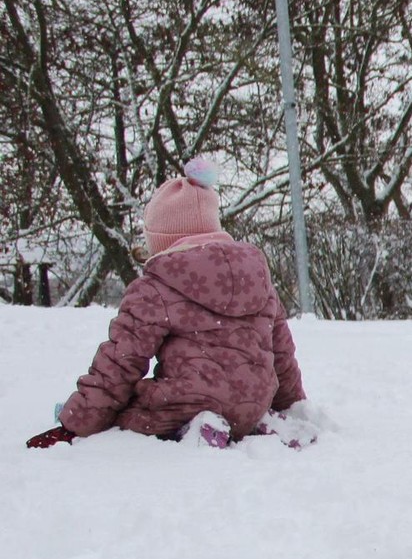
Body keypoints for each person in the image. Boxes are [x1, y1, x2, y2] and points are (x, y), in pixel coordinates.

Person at [26, 159, 307, 449]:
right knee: (236, 402)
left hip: (185, 403)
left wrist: (77, 422)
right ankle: (256, 423)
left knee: (129, 415)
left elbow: (120, 363)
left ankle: (200, 428)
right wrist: (293, 405)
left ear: (161, 240)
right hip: (253, 402)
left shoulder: (155, 287)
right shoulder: (258, 280)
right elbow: (282, 355)